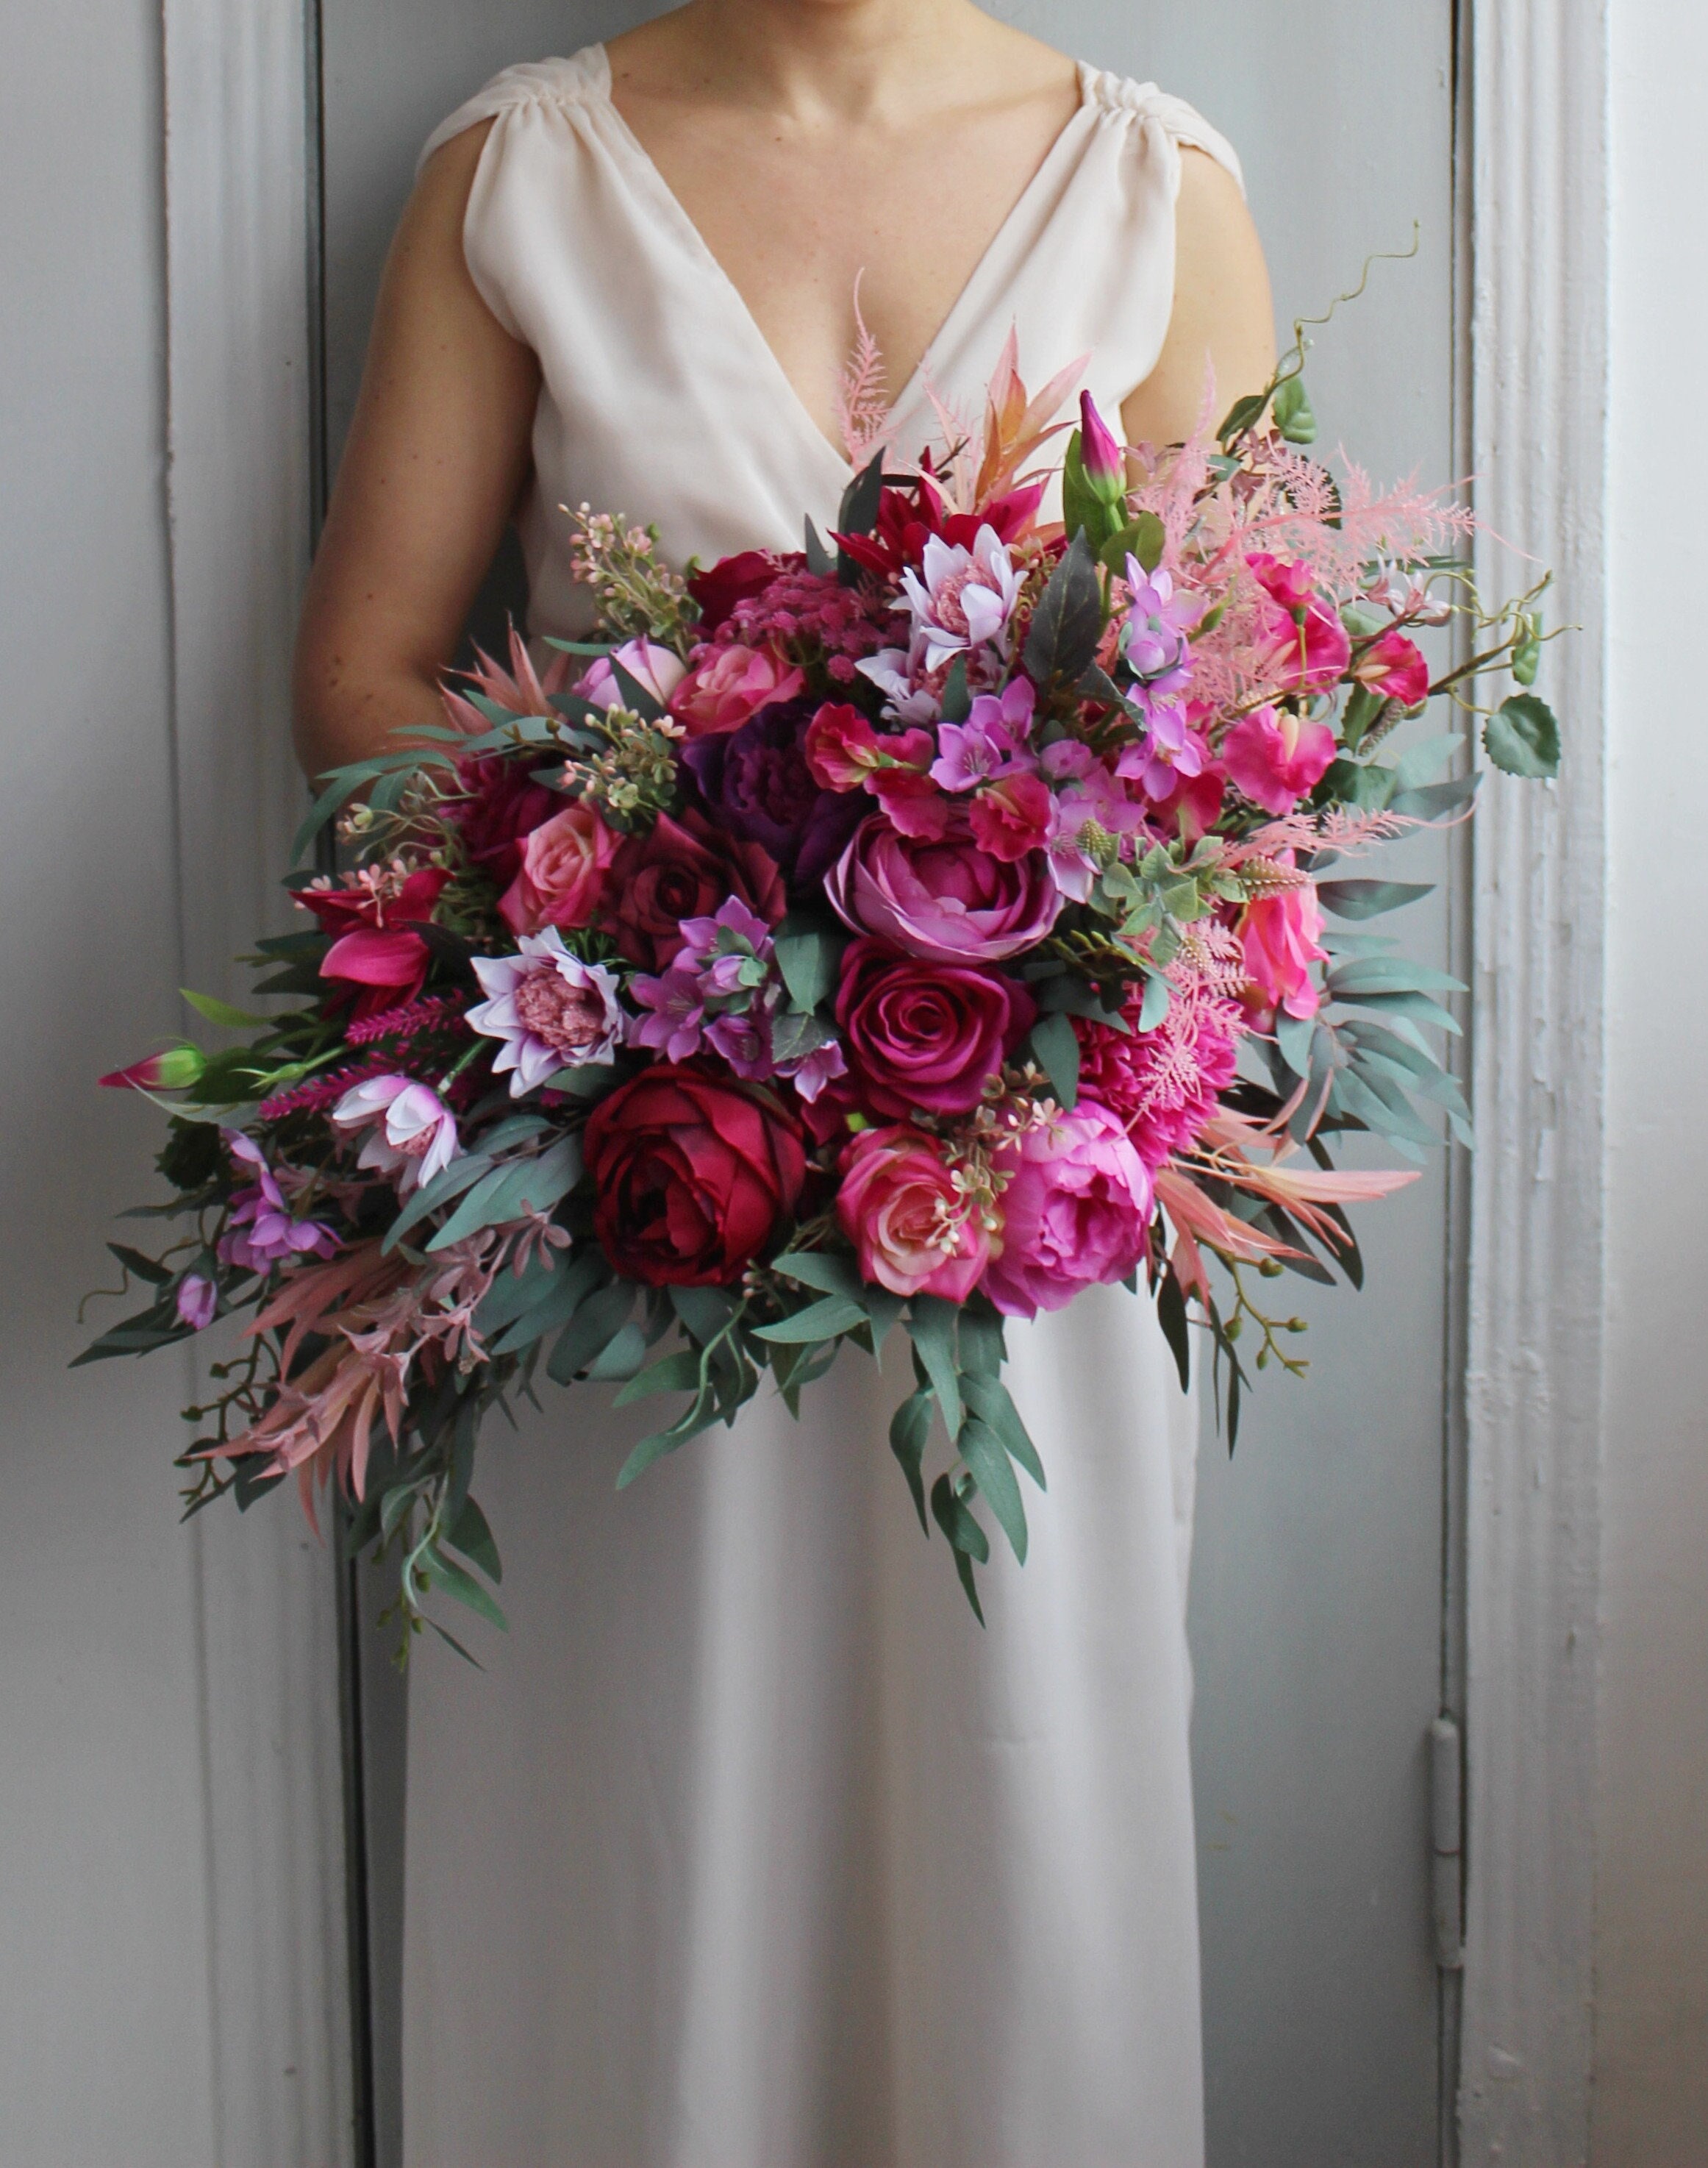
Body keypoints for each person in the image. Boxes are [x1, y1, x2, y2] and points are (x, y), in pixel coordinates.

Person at [296, 5, 1275, 2161]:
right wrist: (647, 886)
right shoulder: (519, 178)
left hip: (1013, 1221)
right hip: (637, 1209)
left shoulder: (1155, 190)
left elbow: (1230, 719)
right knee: (652, 1862)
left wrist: (1004, 932)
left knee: (1017, 1846)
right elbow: (363, 677)